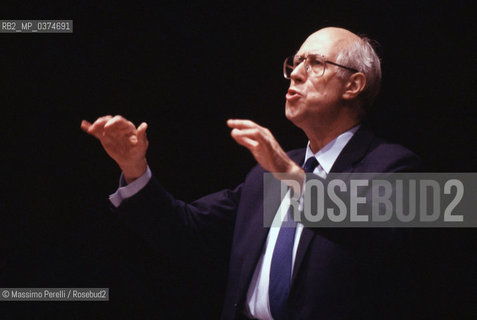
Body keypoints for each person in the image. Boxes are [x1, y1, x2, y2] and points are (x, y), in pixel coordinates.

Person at [81, 27, 420, 320]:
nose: (296, 74)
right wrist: (134, 167)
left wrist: (287, 172)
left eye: (315, 63)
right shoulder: (269, 172)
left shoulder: (391, 166)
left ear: (353, 85)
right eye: (295, 62)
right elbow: (185, 231)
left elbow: (367, 224)